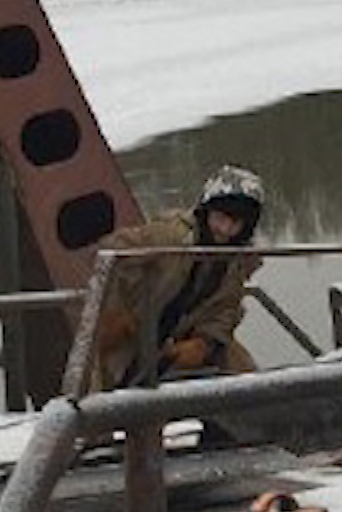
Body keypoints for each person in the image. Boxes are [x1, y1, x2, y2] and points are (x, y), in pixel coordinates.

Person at [87, 165, 266, 393]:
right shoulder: (169, 236)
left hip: (178, 344)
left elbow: (225, 309)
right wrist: (118, 314)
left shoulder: (236, 263)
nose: (226, 229)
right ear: (206, 210)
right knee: (106, 396)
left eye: (236, 223)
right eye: (221, 217)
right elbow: (110, 255)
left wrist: (204, 342)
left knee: (243, 375)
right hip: (132, 341)